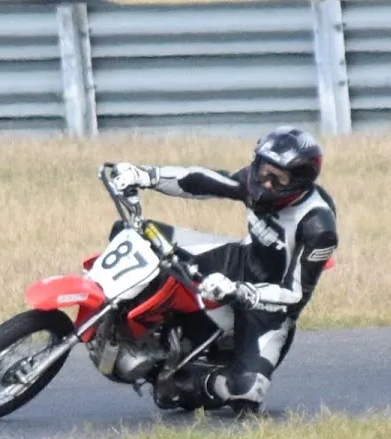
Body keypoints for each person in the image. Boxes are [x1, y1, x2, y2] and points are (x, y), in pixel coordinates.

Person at [108, 126, 338, 413]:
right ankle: (125, 323)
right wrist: (146, 176)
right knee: (133, 234)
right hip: (239, 261)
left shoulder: (318, 226)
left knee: (245, 391)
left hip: (268, 309)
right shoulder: (256, 179)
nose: (264, 183)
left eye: (278, 179)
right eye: (263, 170)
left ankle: (182, 379)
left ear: (298, 183)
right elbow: (204, 181)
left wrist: (240, 292)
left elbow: (296, 296)